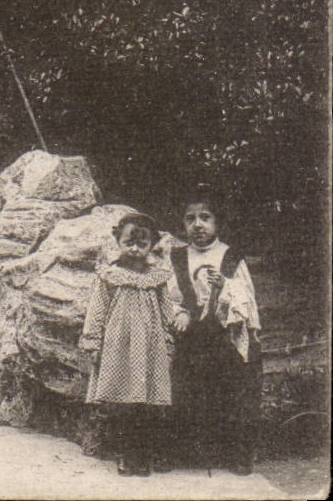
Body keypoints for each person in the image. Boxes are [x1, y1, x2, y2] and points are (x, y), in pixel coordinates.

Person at [167, 187, 262, 475]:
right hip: (191, 336)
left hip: (224, 335)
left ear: (217, 222)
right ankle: (189, 452)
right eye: (190, 219)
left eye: (205, 217)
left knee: (232, 389)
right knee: (186, 388)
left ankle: (236, 453)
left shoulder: (231, 257)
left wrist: (225, 287)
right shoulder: (178, 257)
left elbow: (246, 298)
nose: (197, 225)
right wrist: (180, 312)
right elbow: (169, 296)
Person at [79, 213, 179, 477]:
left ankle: (143, 453)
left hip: (149, 348)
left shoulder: (156, 278)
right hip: (118, 348)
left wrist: (171, 334)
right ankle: (123, 453)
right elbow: (97, 310)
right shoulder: (109, 275)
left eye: (142, 244)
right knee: (120, 403)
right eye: (129, 243)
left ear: (151, 246)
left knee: (147, 403)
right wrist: (93, 342)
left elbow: (166, 309)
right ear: (118, 241)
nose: (135, 249)